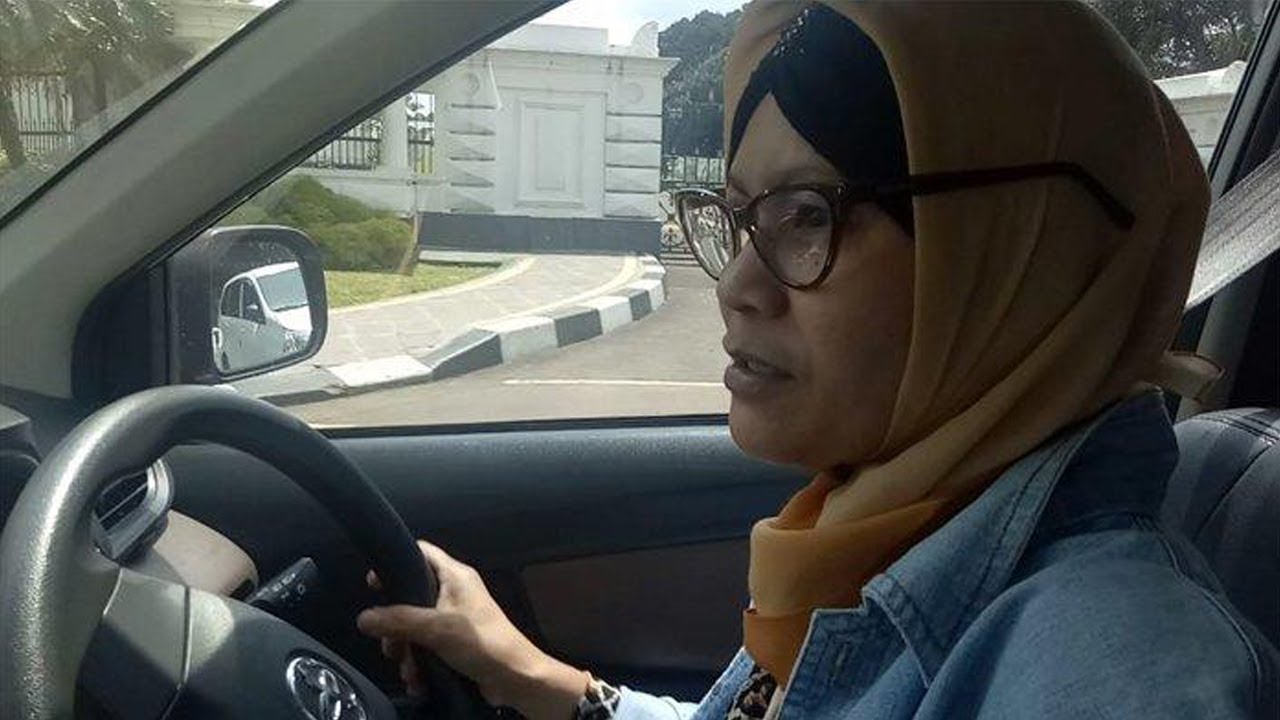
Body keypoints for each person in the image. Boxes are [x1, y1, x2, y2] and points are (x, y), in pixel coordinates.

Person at [358, 2, 1279, 718]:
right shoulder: (893, 533)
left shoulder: (1112, 671)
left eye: (807, 215)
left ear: (1013, 256)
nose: (737, 285)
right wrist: (528, 674)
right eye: (739, 217)